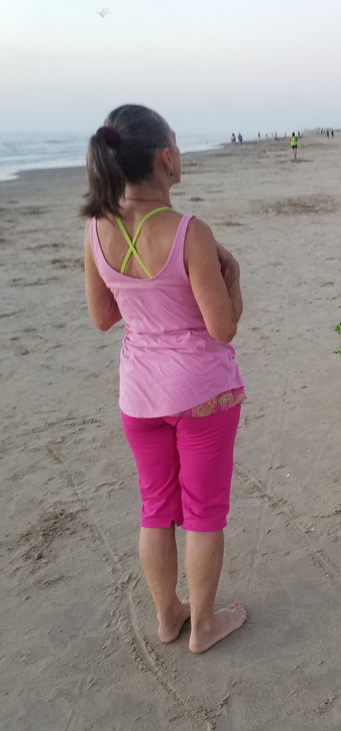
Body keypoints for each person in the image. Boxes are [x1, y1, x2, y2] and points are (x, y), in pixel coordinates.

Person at [81, 105, 247, 653]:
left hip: (140, 395)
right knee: (202, 514)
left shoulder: (97, 229)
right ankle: (202, 625)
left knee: (155, 508)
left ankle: (167, 616)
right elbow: (222, 328)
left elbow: (103, 317)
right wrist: (234, 278)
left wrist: (146, 305)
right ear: (164, 157)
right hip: (202, 391)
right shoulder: (187, 232)